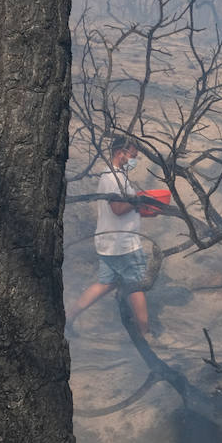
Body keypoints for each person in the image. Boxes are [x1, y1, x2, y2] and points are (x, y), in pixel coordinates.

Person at [68, 136, 152, 337]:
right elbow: (117, 208)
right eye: (133, 156)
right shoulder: (113, 178)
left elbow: (123, 208)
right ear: (119, 153)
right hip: (123, 244)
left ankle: (68, 316)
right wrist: (139, 200)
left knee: (106, 283)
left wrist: (141, 207)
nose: (134, 161)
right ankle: (145, 333)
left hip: (110, 242)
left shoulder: (114, 176)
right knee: (136, 286)